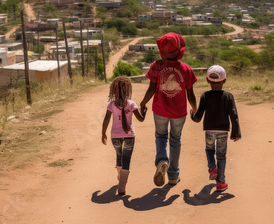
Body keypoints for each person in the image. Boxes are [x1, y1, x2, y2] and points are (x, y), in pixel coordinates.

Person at [140, 32, 197, 187]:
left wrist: (143, 103)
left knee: (160, 136)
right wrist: (194, 108)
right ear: (179, 49)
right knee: (175, 140)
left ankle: (162, 160)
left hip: (160, 110)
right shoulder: (186, 69)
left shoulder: (156, 66)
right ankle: (173, 175)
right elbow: (190, 94)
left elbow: (151, 89)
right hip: (179, 112)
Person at [191, 65, 241, 191]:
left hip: (209, 129)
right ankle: (220, 183)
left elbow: (198, 117)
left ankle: (212, 167)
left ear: (208, 81)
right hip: (223, 130)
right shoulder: (228, 96)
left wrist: (192, 115)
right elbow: (234, 115)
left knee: (209, 149)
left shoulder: (205, 96)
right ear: (224, 80)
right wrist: (236, 132)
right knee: (221, 155)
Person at [102, 76, 147, 195]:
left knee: (119, 154)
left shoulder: (111, 104)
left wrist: (103, 133)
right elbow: (141, 119)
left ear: (114, 91)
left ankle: (119, 175)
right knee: (126, 159)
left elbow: (106, 119)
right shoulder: (132, 104)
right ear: (128, 90)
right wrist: (144, 111)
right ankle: (122, 184)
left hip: (115, 136)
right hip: (129, 136)